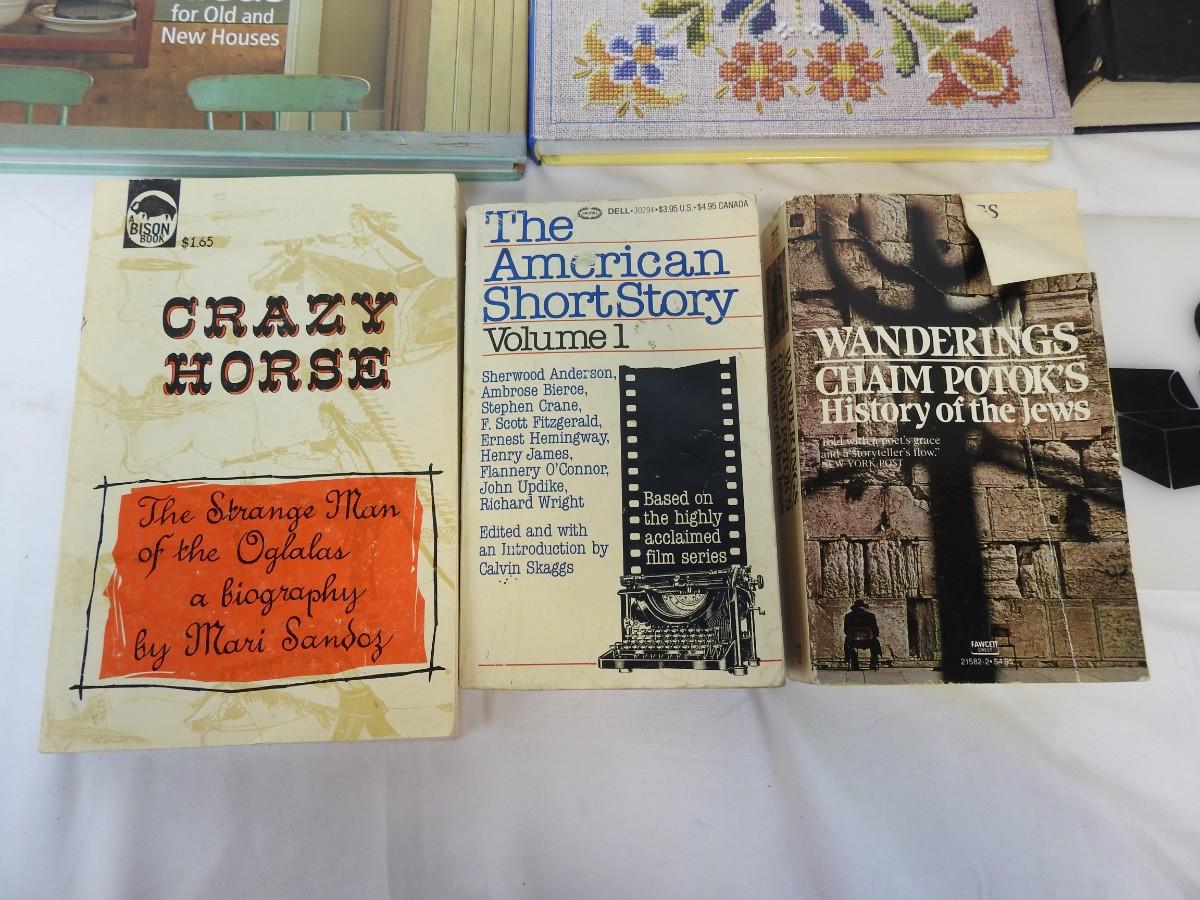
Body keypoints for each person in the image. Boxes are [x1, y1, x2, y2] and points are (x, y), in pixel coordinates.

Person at [843, 600, 882, 671]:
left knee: (848, 642)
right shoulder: (871, 616)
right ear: (863, 607)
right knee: (875, 642)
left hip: (853, 642)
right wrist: (868, 636)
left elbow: (846, 631)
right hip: (869, 641)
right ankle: (873, 663)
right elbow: (876, 632)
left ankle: (855, 663)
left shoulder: (848, 616)